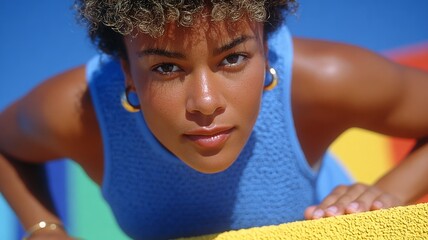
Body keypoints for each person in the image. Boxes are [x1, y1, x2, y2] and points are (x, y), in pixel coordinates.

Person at [1, 0, 428, 239]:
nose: (205, 103)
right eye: (167, 68)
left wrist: (385, 192)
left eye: (234, 58)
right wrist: (44, 228)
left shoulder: (322, 83)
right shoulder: (81, 112)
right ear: (128, 72)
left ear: (265, 52)